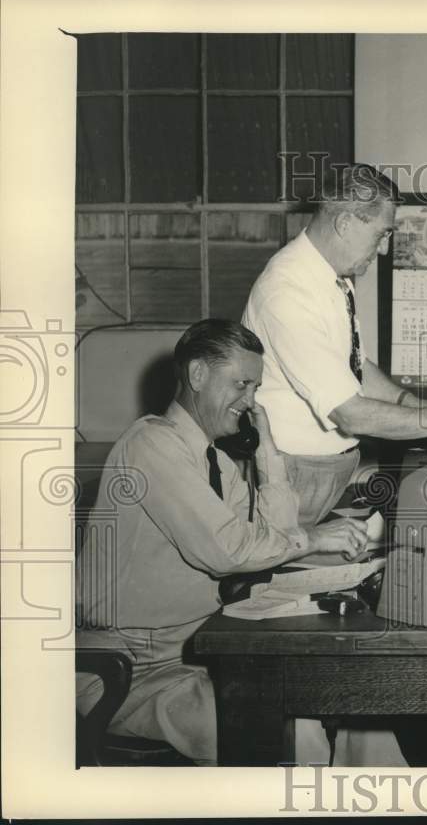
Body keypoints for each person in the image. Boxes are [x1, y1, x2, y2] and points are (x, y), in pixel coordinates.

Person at [75, 319, 369, 765]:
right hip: (132, 670)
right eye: (241, 384)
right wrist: (312, 539)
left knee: (334, 701)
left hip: (194, 654)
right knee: (288, 732)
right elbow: (228, 551)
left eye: (256, 388)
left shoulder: (215, 462)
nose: (250, 401)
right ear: (197, 374)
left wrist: (267, 450)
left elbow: (270, 539)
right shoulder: (151, 445)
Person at [243, 163, 427, 530]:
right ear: (345, 223)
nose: (384, 249)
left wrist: (415, 405)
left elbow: (355, 365)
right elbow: (350, 414)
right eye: (382, 234)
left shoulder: (332, 279)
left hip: (325, 470)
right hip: (293, 473)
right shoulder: (287, 292)